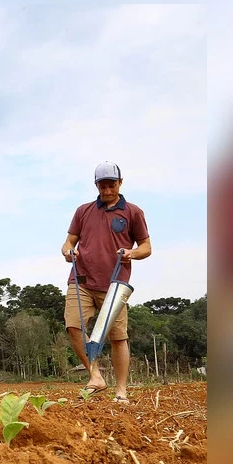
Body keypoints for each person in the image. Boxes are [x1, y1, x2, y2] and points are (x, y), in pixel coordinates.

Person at [60, 161, 152, 402]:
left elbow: (146, 247)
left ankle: (121, 391)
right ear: (96, 186)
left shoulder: (133, 212)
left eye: (111, 185)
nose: (107, 191)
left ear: (120, 183)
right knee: (73, 325)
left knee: (118, 337)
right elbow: (68, 243)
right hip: (81, 279)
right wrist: (69, 251)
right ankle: (95, 376)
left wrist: (132, 253)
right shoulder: (83, 211)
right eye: (102, 186)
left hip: (115, 284)